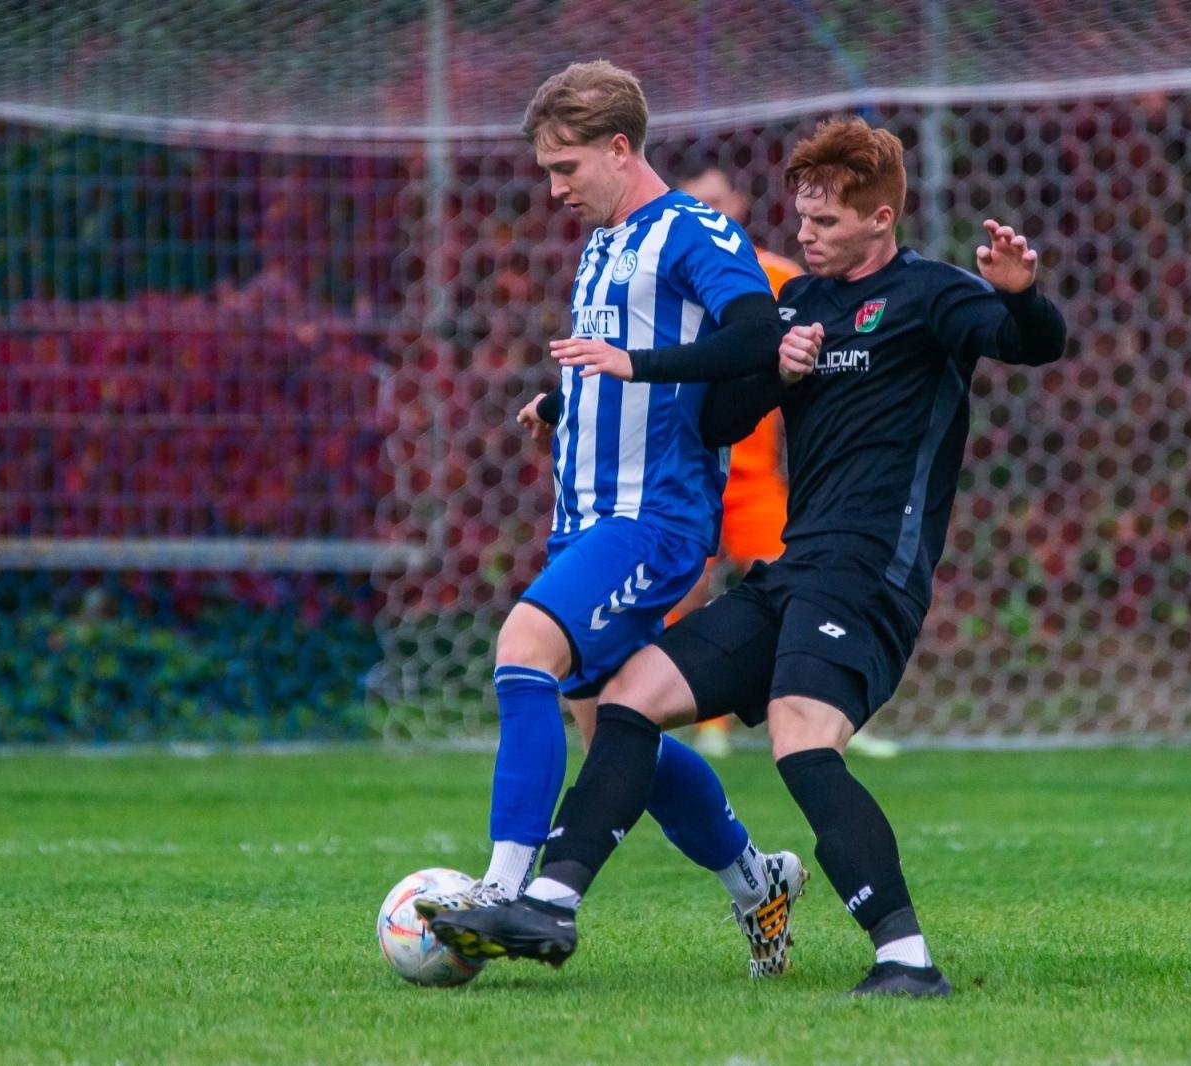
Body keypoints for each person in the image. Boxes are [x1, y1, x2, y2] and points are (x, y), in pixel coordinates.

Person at [432, 117, 1068, 997]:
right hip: (795, 567)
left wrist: (1022, 293)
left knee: (803, 740)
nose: (804, 236)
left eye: (828, 223)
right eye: (801, 218)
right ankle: (548, 904)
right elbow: (719, 421)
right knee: (628, 701)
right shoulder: (801, 305)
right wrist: (780, 372)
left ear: (881, 218)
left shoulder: (932, 295)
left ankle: (906, 959)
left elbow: (1037, 342)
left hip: (871, 575)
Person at [416, 60, 811, 978]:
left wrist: (633, 366)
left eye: (566, 169)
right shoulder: (605, 239)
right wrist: (568, 407)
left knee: (523, 645)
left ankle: (504, 886)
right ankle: (760, 882)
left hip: (654, 521)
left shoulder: (691, 228)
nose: (554, 190)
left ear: (620, 147)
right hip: (587, 517)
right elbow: (623, 370)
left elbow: (755, 331)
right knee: (613, 728)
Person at [670, 161, 801, 759]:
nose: (711, 212)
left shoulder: (779, 276)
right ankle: (708, 721)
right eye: (696, 203)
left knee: (795, 585)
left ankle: (818, 708)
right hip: (691, 468)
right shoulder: (670, 281)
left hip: (753, 476)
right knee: (683, 590)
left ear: (740, 204)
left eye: (717, 200)